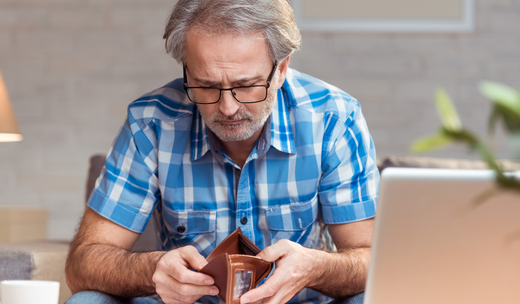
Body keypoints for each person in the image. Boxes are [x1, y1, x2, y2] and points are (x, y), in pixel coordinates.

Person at [65, 1, 379, 304]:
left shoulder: (333, 120)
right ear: (187, 71)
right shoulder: (151, 124)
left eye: (246, 85)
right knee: (87, 300)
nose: (227, 108)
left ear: (281, 70)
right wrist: (152, 270)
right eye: (207, 85)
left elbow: (373, 258)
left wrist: (315, 267)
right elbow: (83, 263)